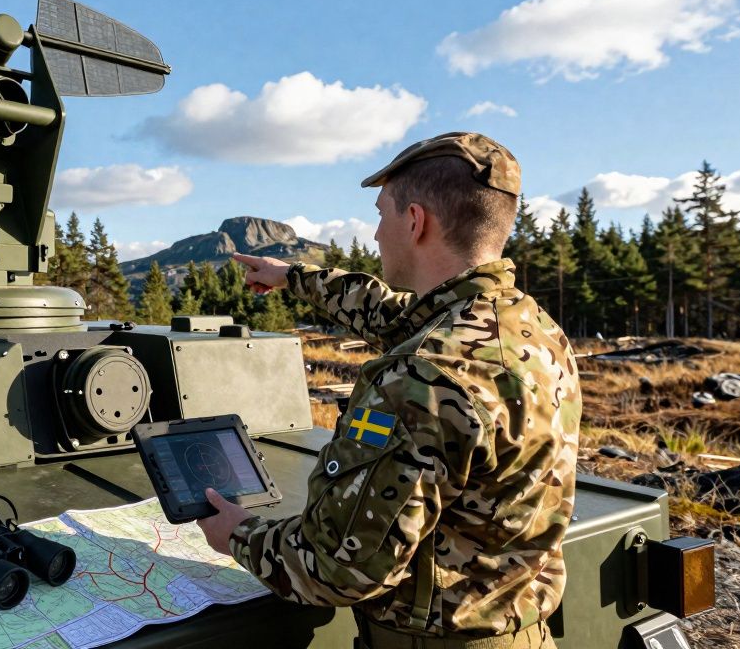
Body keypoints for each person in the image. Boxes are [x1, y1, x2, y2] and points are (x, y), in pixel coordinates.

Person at [196, 132, 580, 648]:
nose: (376, 234)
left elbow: (339, 569)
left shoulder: (419, 379)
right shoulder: (531, 328)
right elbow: (390, 312)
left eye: (382, 215)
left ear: (416, 221)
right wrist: (292, 277)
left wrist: (239, 536)